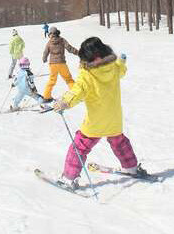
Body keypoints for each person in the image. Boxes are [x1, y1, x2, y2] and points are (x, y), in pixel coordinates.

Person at [52, 37, 146, 189]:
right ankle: (130, 168)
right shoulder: (114, 67)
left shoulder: (87, 75)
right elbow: (121, 71)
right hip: (114, 119)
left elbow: (78, 91)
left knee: (80, 147)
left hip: (95, 123)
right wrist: (121, 62)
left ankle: (69, 178)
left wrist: (65, 102)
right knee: (120, 142)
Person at [41, 27, 78, 102]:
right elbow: (69, 48)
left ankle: (46, 96)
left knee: (52, 80)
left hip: (52, 64)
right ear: (57, 32)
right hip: (61, 63)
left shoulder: (49, 42)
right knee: (68, 79)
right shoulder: (62, 40)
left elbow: (45, 52)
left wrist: (44, 58)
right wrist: (78, 52)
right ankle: (76, 93)